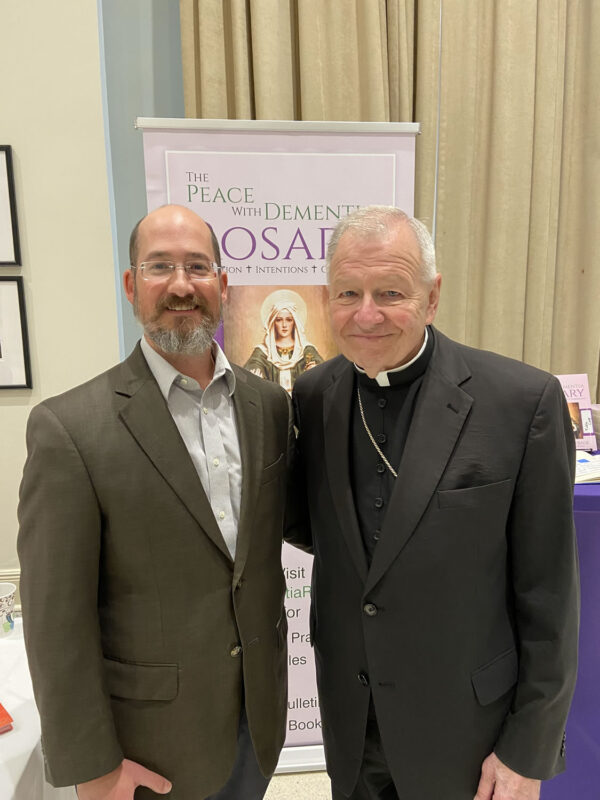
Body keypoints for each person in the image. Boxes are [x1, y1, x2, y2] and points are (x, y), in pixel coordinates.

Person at [286, 206, 579, 800]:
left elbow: (549, 598)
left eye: (390, 291)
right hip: (352, 721)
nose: (366, 314)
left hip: (468, 732)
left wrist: (528, 749)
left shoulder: (522, 403)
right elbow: (321, 533)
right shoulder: (314, 395)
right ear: (327, 299)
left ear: (432, 295)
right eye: (348, 293)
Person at [18, 205, 291, 800]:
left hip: (258, 725)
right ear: (130, 285)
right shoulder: (70, 430)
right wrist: (93, 766)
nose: (180, 284)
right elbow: (55, 620)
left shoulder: (270, 406)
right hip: (150, 750)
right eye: (159, 266)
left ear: (223, 285)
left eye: (198, 266)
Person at [245, 290, 323, 393]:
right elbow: (253, 365)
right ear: (273, 322)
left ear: (294, 322)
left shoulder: (306, 350)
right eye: (279, 320)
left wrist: (315, 368)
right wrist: (255, 372)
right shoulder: (263, 351)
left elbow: (322, 368)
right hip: (274, 404)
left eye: (289, 320)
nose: (284, 325)